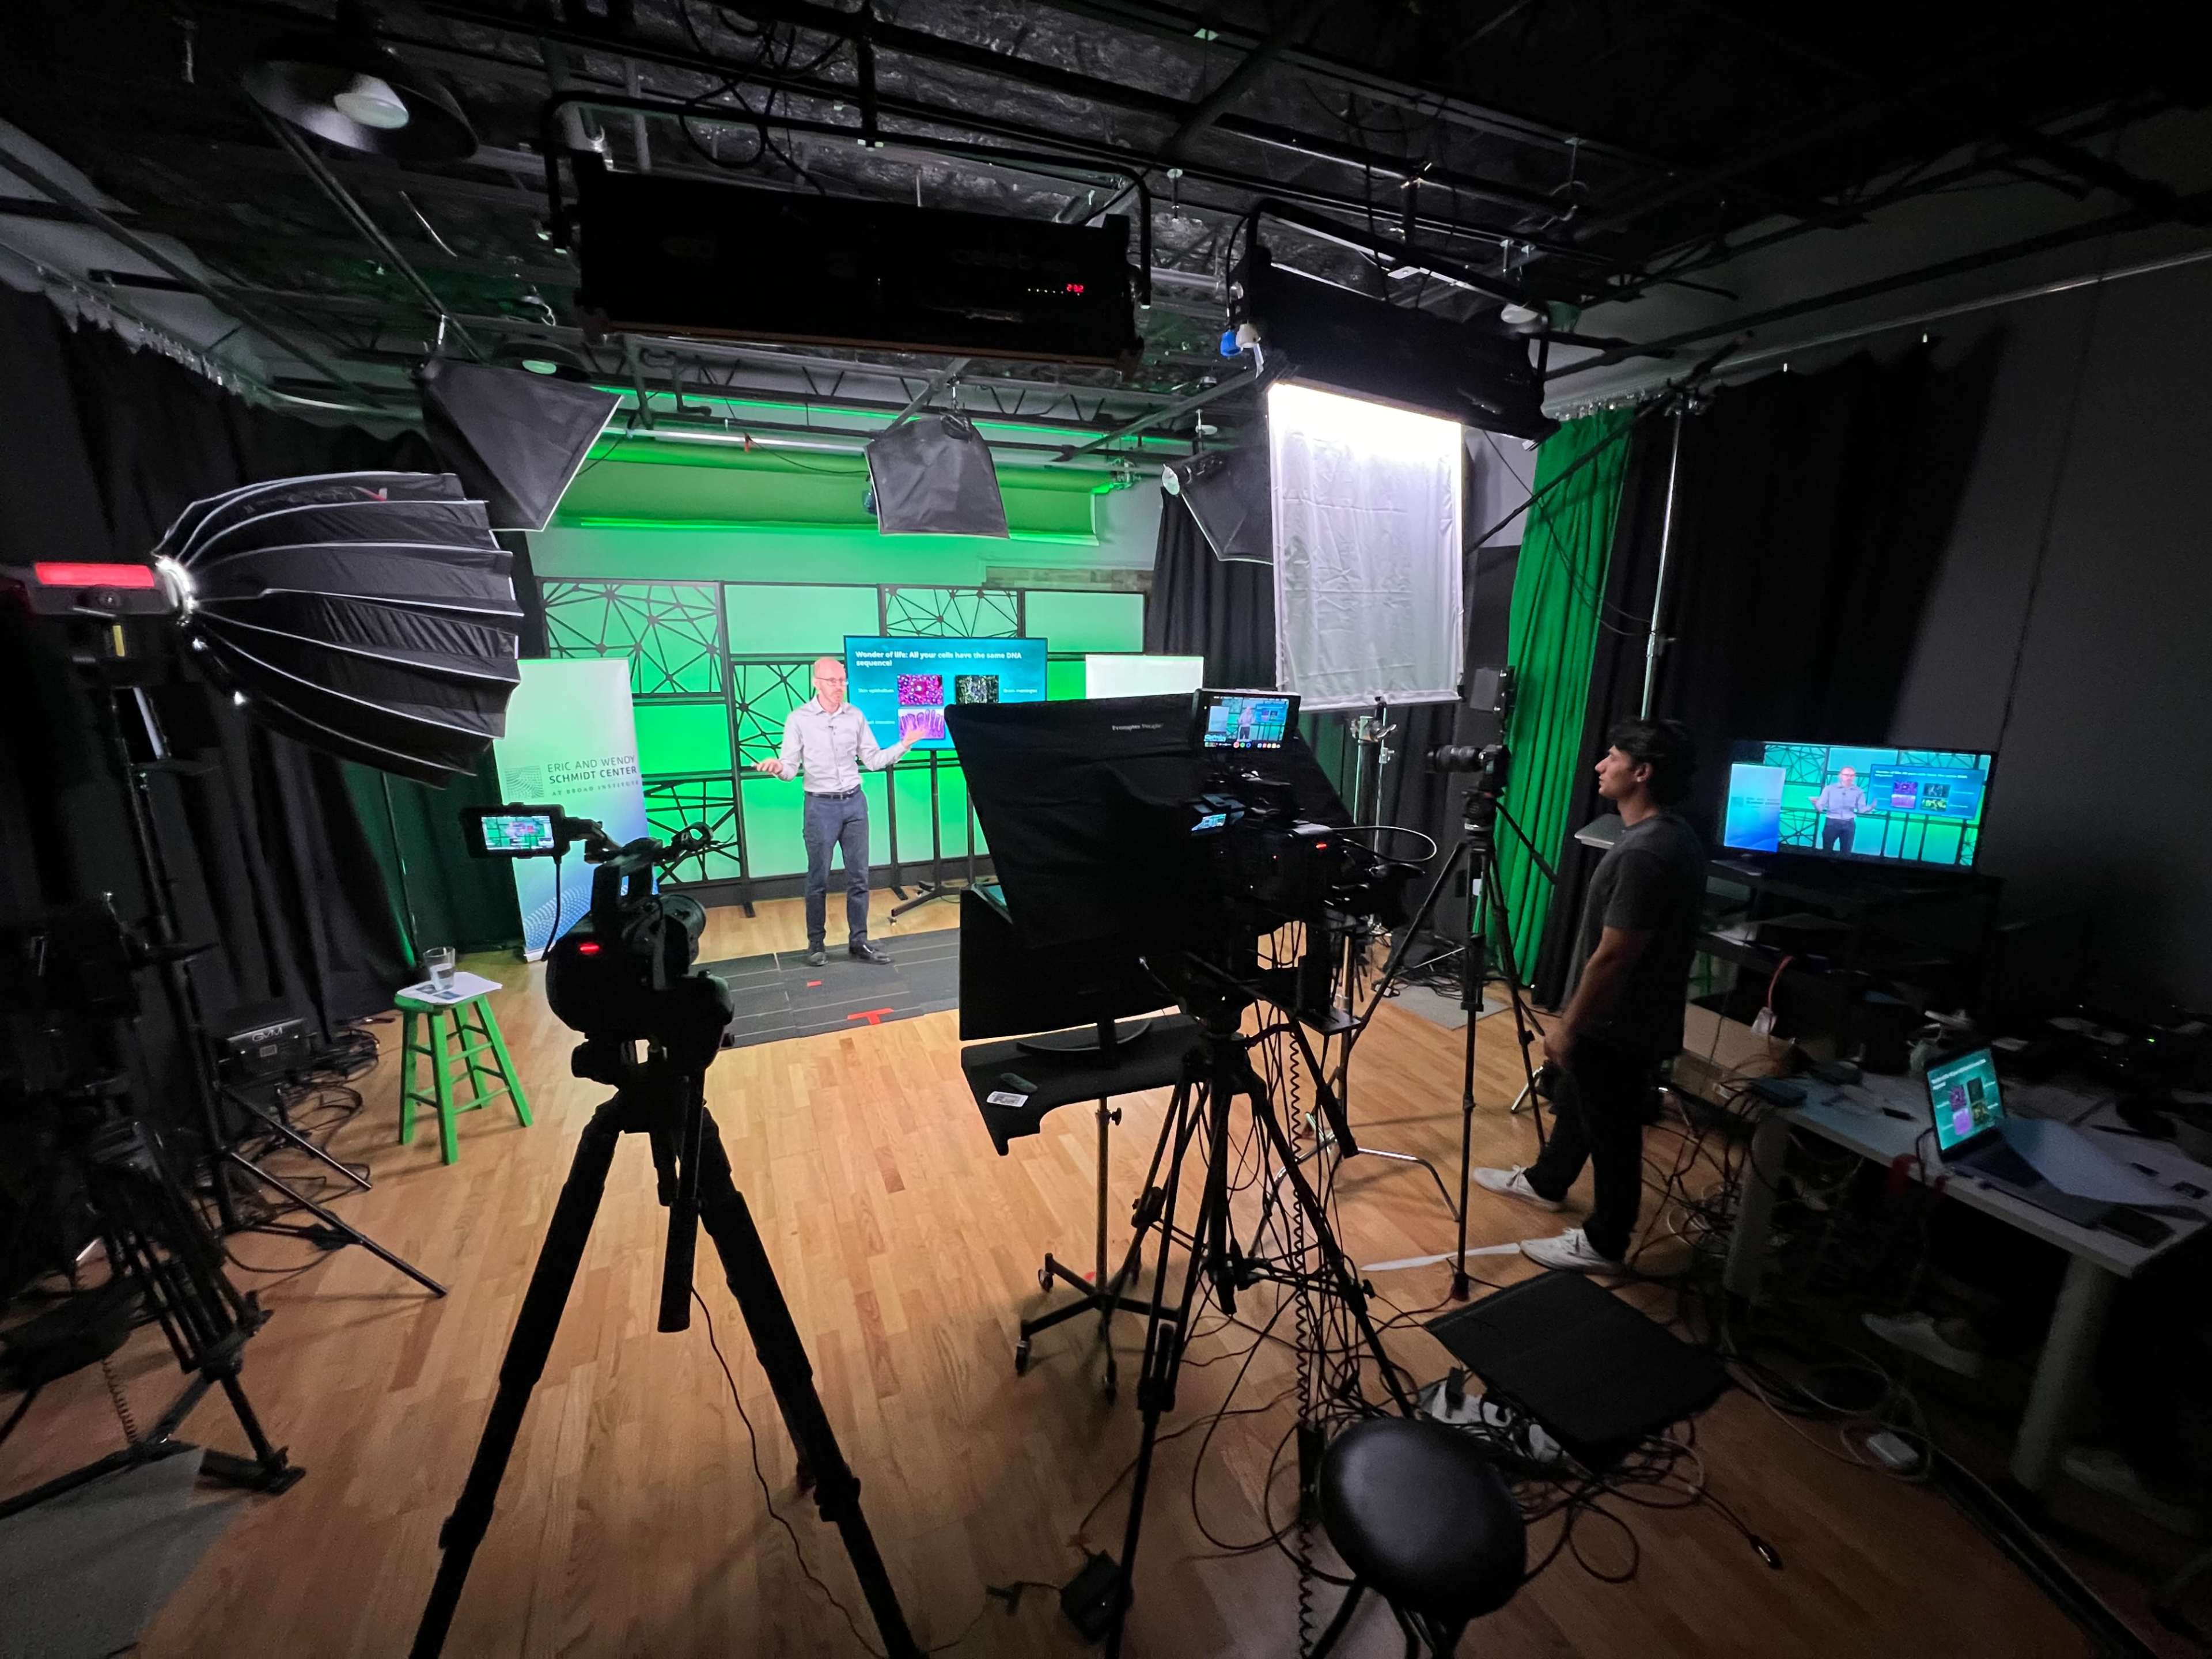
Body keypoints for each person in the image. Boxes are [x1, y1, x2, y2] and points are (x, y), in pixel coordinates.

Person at [1471, 718, 1706, 1271]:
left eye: (1613, 757)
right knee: (1579, 1102)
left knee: (1614, 1133)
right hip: (1631, 1018)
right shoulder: (1673, 835)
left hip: (1618, 1023)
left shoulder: (1645, 854)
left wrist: (1569, 1023)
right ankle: (1547, 1181)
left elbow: (1616, 954)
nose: (1600, 766)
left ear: (1641, 772)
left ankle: (1605, 1241)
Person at [752, 656, 916, 966]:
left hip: (855, 803)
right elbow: (789, 769)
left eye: (842, 680)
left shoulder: (855, 716)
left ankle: (860, 942)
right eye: (833, 681)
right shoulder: (798, 719)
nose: (839, 686)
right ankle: (816, 944)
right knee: (818, 878)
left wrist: (904, 744)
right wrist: (776, 767)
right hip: (820, 807)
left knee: (859, 878)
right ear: (817, 682)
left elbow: (873, 760)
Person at [1810, 763, 1872, 854]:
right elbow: (1820, 809)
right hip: (1831, 823)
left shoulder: (1859, 791)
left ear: (1855, 777)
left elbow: (1861, 810)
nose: (1849, 777)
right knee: (1827, 850)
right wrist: (1815, 803)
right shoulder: (1829, 789)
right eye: (1847, 775)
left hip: (1849, 824)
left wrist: (1872, 807)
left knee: (1846, 851)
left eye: (1852, 775)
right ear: (1840, 776)